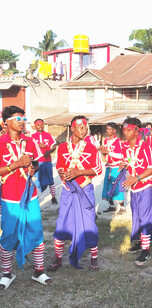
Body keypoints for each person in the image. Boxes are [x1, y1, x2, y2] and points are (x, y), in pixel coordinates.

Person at [0, 105, 51, 290]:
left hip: (30, 195)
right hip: (9, 198)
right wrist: (15, 165)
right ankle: (7, 273)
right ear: (6, 121)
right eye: (17, 119)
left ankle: (38, 271)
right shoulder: (0, 142)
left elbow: (36, 163)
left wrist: (32, 168)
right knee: (8, 236)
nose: (22, 122)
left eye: (23, 118)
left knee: (36, 232)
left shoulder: (30, 142)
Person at [47, 116, 103, 271]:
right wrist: (61, 173)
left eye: (86, 127)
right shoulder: (63, 147)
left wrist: (80, 172)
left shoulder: (91, 147)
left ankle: (94, 258)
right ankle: (58, 258)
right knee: (63, 223)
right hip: (67, 190)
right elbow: (59, 165)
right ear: (72, 128)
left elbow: (98, 169)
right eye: (80, 127)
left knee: (89, 223)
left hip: (85, 190)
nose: (84, 130)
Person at [120, 117, 152, 266]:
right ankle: (139, 242)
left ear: (137, 131)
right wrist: (124, 165)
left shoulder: (145, 147)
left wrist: (136, 177)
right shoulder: (125, 147)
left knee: (144, 217)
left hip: (145, 186)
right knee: (136, 216)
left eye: (129, 130)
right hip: (134, 187)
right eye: (124, 129)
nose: (125, 132)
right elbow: (131, 162)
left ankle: (146, 250)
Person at [99, 122, 126, 214]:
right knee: (108, 186)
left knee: (117, 186)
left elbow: (121, 155)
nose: (107, 130)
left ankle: (122, 207)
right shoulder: (105, 141)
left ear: (114, 131)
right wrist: (102, 151)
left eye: (109, 129)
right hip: (109, 166)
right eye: (106, 129)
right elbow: (105, 153)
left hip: (116, 167)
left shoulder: (118, 142)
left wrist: (108, 152)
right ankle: (111, 205)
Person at [31, 118, 58, 204]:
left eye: (41, 124)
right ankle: (35, 197)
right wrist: (37, 146)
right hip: (37, 162)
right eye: (38, 125)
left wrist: (49, 151)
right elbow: (29, 149)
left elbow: (54, 146)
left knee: (50, 180)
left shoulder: (48, 135)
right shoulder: (32, 137)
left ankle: (53, 197)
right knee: (36, 180)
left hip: (47, 161)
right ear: (35, 126)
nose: (40, 126)